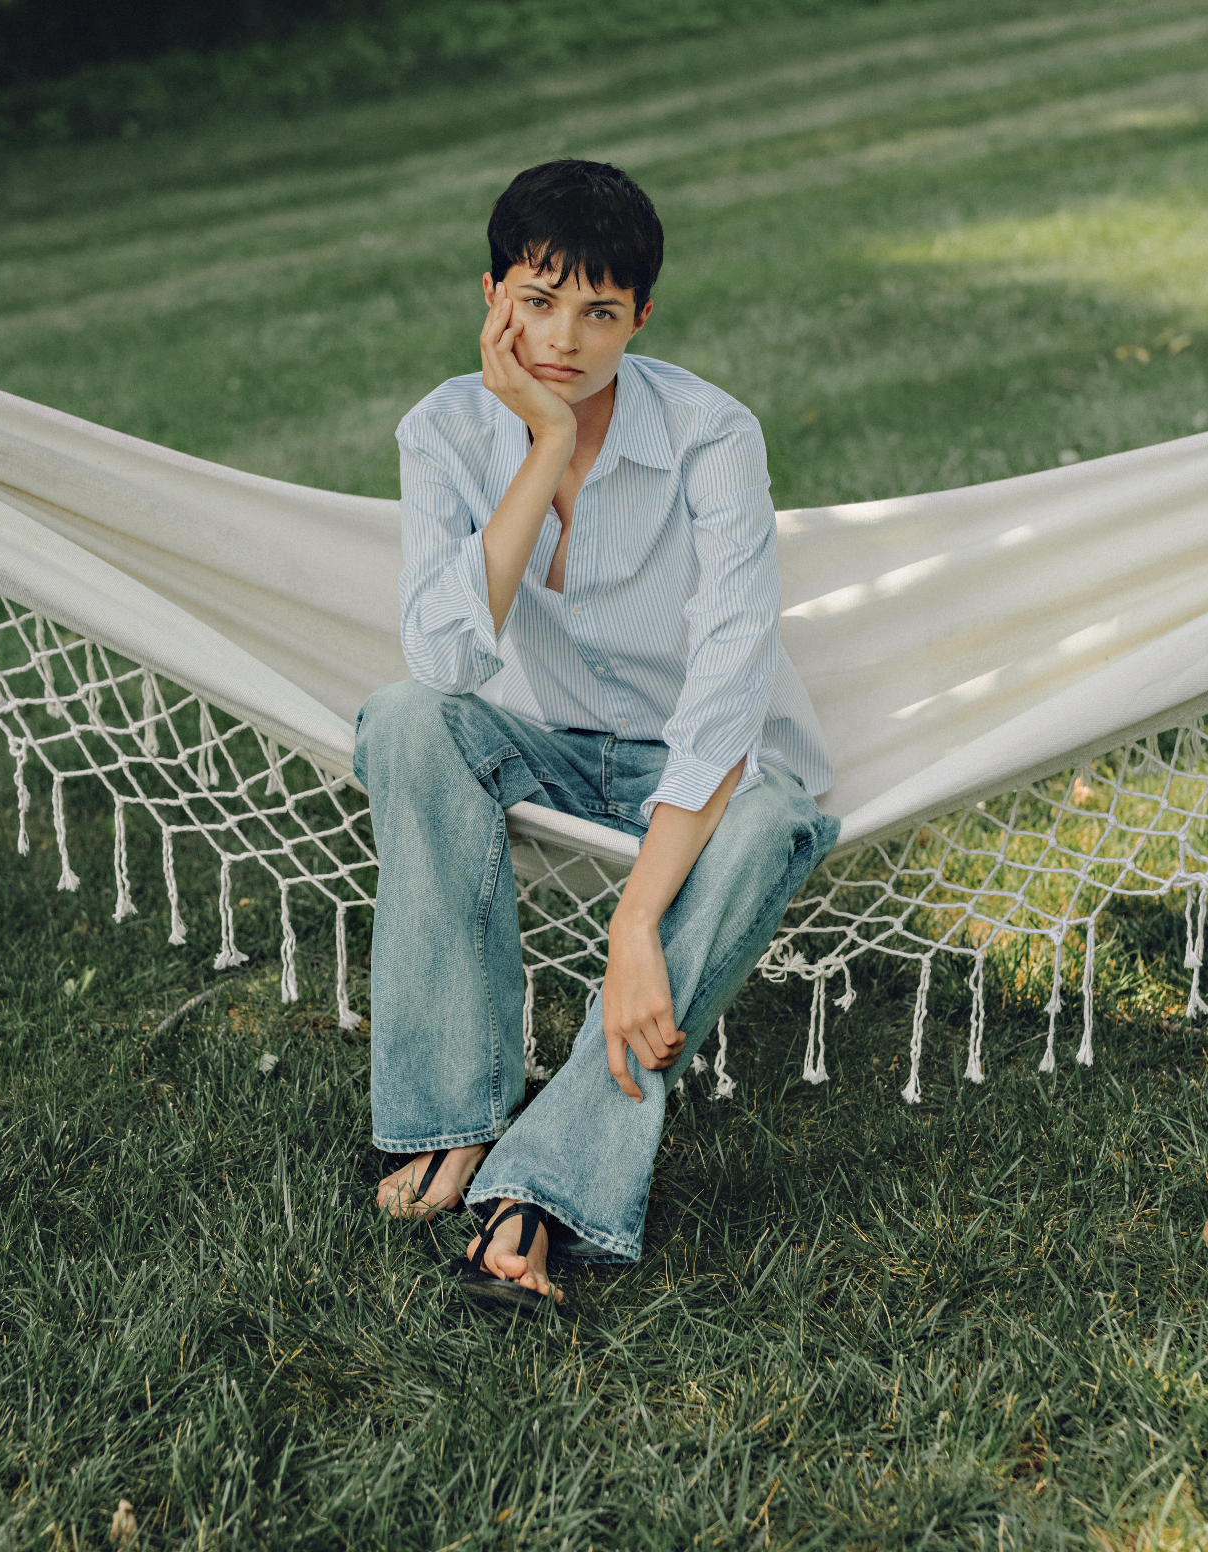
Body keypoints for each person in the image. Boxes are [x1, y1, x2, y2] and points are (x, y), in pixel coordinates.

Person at [352, 159, 837, 1311]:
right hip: (552, 746)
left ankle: (550, 1179)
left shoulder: (712, 434)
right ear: (491, 296)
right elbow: (451, 662)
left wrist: (634, 924)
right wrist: (544, 447)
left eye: (601, 312)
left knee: (777, 817)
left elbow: (724, 699)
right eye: (536, 300)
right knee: (406, 718)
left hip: (711, 772)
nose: (564, 337)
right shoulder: (442, 432)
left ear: (641, 317)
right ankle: (452, 1120)